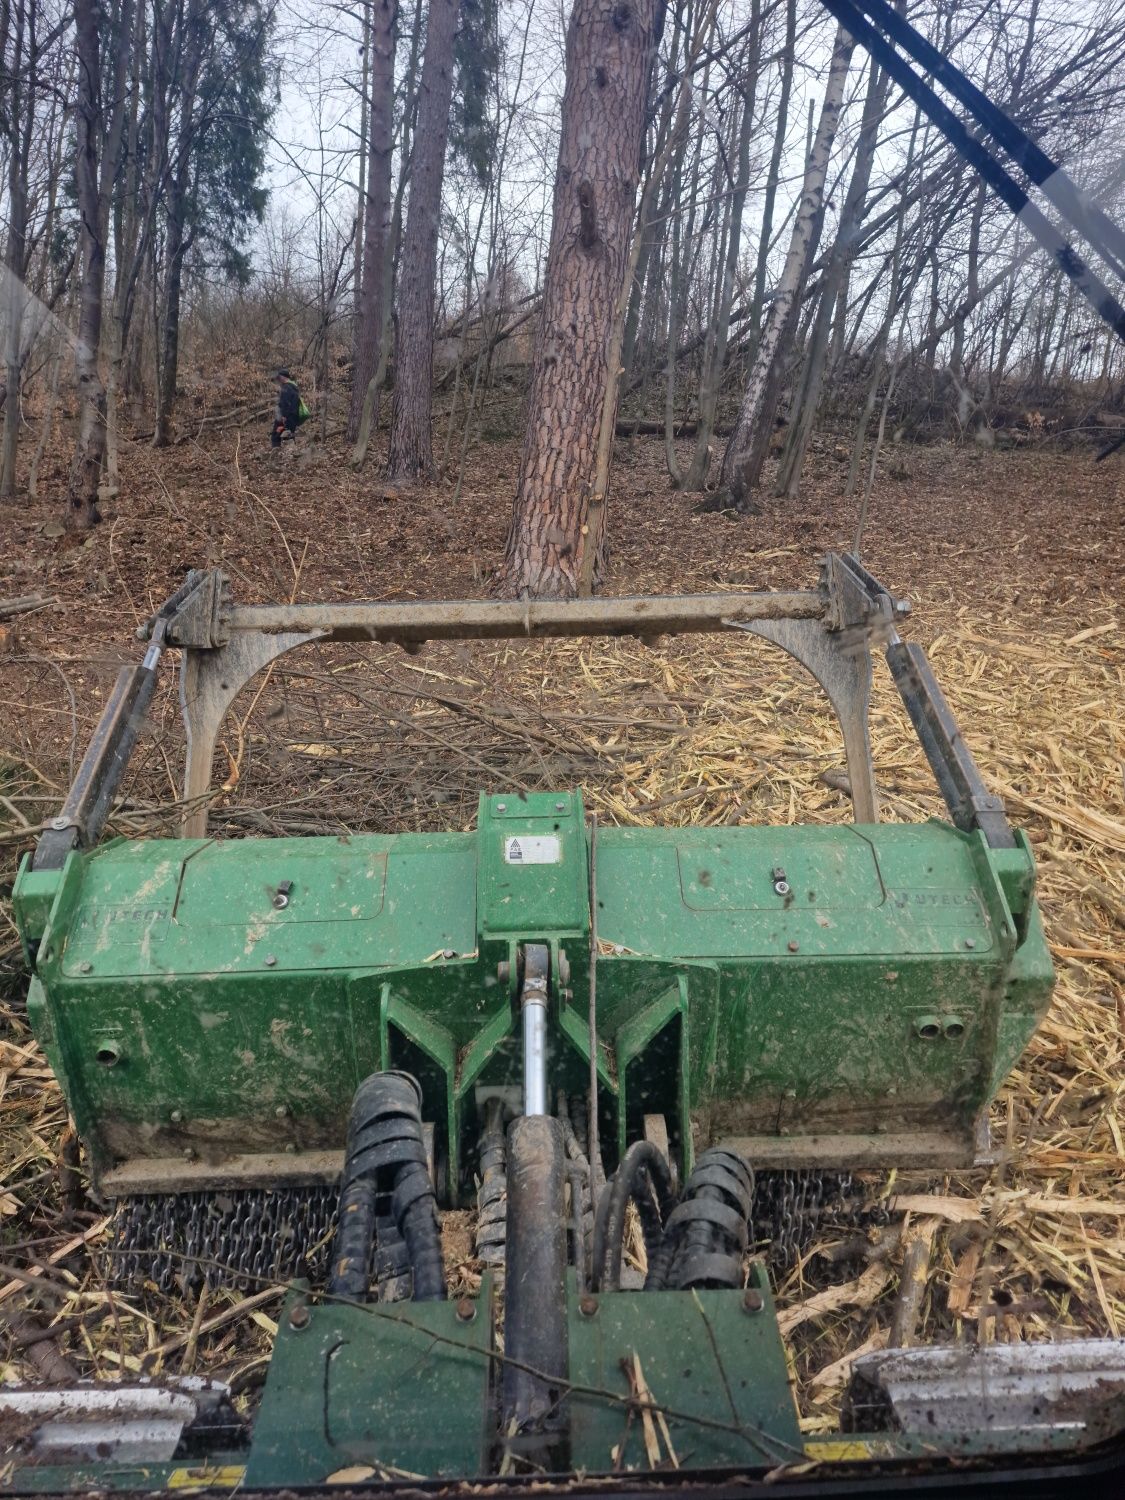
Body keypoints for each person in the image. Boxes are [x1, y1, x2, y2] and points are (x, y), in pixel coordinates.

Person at [271, 369, 305, 447]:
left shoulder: (286, 387)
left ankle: (276, 455)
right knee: (289, 435)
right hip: (293, 416)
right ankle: (291, 453)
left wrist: (284, 416)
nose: (279, 380)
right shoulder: (294, 386)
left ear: (283, 377)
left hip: (286, 417)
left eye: (279, 377)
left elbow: (285, 403)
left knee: (276, 435)